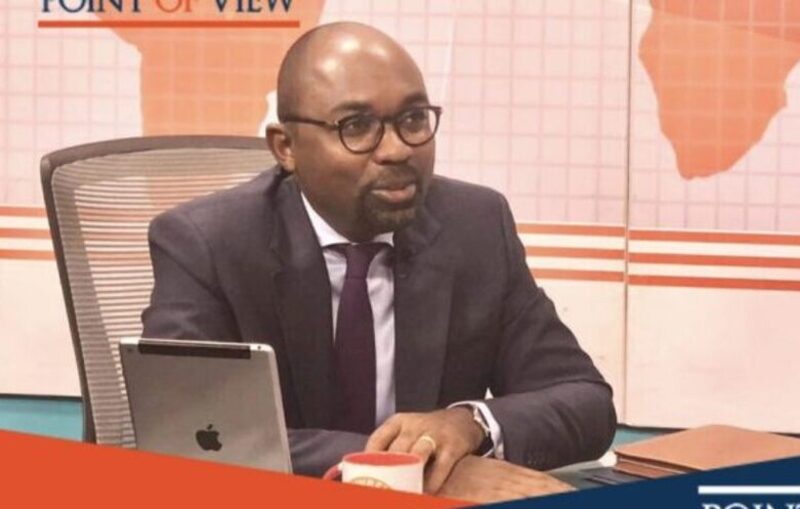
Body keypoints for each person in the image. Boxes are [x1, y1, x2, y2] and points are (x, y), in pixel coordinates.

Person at [142, 21, 616, 500]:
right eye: (356, 126)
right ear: (286, 147)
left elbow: (584, 400)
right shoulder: (206, 243)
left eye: (413, 119)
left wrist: (469, 424)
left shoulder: (474, 226)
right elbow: (190, 431)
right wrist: (409, 469)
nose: (397, 149)